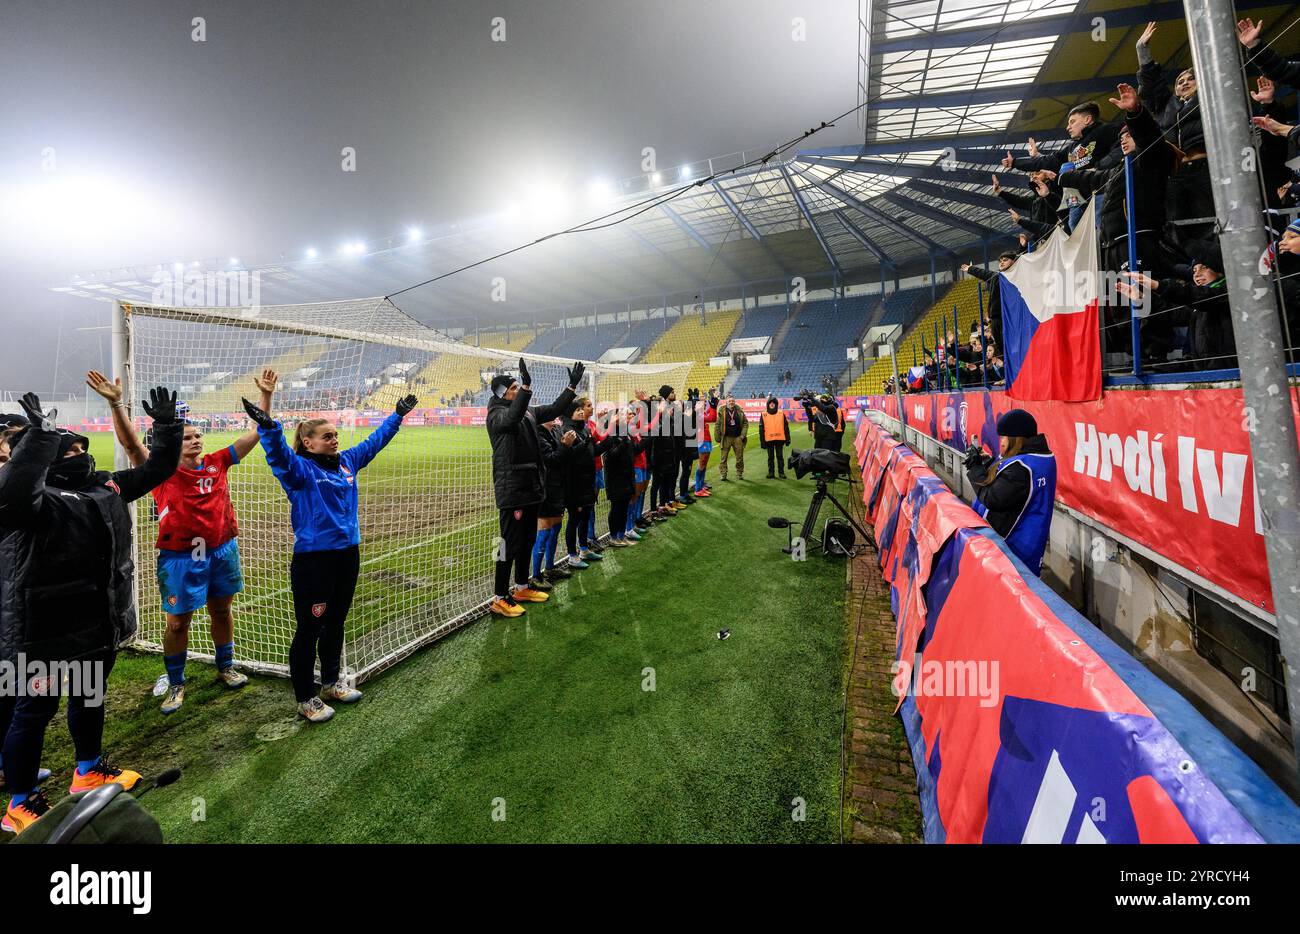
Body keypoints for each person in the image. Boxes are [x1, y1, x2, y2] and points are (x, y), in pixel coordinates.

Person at [1, 388, 182, 835]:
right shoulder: (35, 499)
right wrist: (41, 436)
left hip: (96, 621)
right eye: (69, 448)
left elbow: (159, 468)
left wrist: (167, 428)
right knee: (34, 710)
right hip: (44, 631)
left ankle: (88, 771)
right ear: (42, 457)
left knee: (89, 696)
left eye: (82, 445)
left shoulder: (107, 485)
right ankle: (19, 803)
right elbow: (18, 489)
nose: (79, 452)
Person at [88, 370, 277, 714]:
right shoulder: (161, 471)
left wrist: (266, 397)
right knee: (177, 621)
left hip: (222, 549)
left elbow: (257, 431)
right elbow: (131, 446)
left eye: (197, 435)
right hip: (180, 556)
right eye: (187, 437)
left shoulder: (218, 462)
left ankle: (226, 667)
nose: (195, 440)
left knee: (222, 609)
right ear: (174, 443)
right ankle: (176, 683)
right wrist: (116, 403)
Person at [241, 390, 418, 723]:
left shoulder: (348, 462)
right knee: (310, 628)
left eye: (335, 435)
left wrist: (397, 416)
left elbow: (375, 441)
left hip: (348, 555)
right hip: (314, 561)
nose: (334, 440)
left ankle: (332, 682)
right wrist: (268, 428)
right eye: (327, 436)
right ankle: (306, 698)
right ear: (308, 443)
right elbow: (279, 456)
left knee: (335, 622)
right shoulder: (300, 471)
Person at [483, 357, 583, 618]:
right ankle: (499, 596)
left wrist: (571, 387)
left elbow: (552, 409)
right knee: (506, 543)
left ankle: (521, 586)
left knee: (527, 539)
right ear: (502, 393)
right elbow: (512, 416)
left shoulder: (527, 410)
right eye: (514, 388)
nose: (518, 391)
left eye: (519, 387)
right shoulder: (496, 415)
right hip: (512, 489)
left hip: (530, 487)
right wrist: (526, 388)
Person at [964, 409, 1057, 576]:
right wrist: (989, 463)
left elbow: (992, 498)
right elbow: (1010, 481)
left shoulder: (1022, 468)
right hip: (1026, 545)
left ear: (1016, 438)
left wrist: (975, 468)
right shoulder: (1039, 456)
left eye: (1004, 437)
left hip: (1013, 551)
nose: (1001, 443)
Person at [531, 416, 575, 588]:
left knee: (555, 528)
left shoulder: (556, 431)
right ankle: (535, 576)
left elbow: (565, 457)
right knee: (544, 529)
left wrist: (568, 445)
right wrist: (565, 445)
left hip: (558, 486)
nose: (553, 418)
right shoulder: (538, 436)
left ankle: (549, 568)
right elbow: (552, 459)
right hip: (545, 488)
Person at [561, 398, 605, 568]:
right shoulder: (567, 430)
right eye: (576, 410)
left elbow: (594, 451)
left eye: (581, 409)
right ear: (570, 414)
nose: (580, 412)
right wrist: (586, 443)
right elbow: (569, 456)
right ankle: (572, 555)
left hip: (588, 479)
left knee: (586, 515)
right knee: (574, 519)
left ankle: (584, 549)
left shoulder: (585, 428)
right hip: (574, 483)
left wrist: (609, 442)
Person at [599, 408, 648, 547]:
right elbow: (609, 457)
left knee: (624, 506)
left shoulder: (625, 432)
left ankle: (621, 536)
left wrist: (647, 440)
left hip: (627, 475)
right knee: (616, 508)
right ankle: (613, 537)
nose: (624, 417)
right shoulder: (609, 434)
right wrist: (623, 443)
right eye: (619, 415)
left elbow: (634, 450)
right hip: (615, 478)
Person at [715, 394, 747, 481]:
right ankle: (723, 474)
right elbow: (717, 425)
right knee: (723, 458)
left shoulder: (739, 411)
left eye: (733, 401)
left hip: (738, 438)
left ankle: (739, 473)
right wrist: (718, 439)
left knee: (739, 457)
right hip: (726, 438)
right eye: (729, 401)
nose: (731, 402)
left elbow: (745, 423)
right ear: (726, 402)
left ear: (734, 402)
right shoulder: (722, 411)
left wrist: (742, 435)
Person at [692, 390, 718, 497]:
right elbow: (712, 418)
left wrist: (714, 400)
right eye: (700, 402)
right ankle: (698, 489)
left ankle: (701, 486)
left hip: (706, 440)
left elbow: (710, 414)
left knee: (704, 464)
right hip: (702, 441)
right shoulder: (698, 415)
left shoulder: (701, 413)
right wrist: (713, 403)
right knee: (702, 464)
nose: (703, 403)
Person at [758, 397, 790, 479]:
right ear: (768, 404)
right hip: (769, 440)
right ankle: (771, 473)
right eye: (770, 403)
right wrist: (762, 442)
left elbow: (786, 427)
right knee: (770, 458)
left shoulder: (781, 413)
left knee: (780, 457)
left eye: (773, 403)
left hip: (780, 439)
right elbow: (761, 429)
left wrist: (788, 439)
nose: (772, 404)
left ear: (776, 404)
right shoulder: (763, 414)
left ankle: (781, 473)